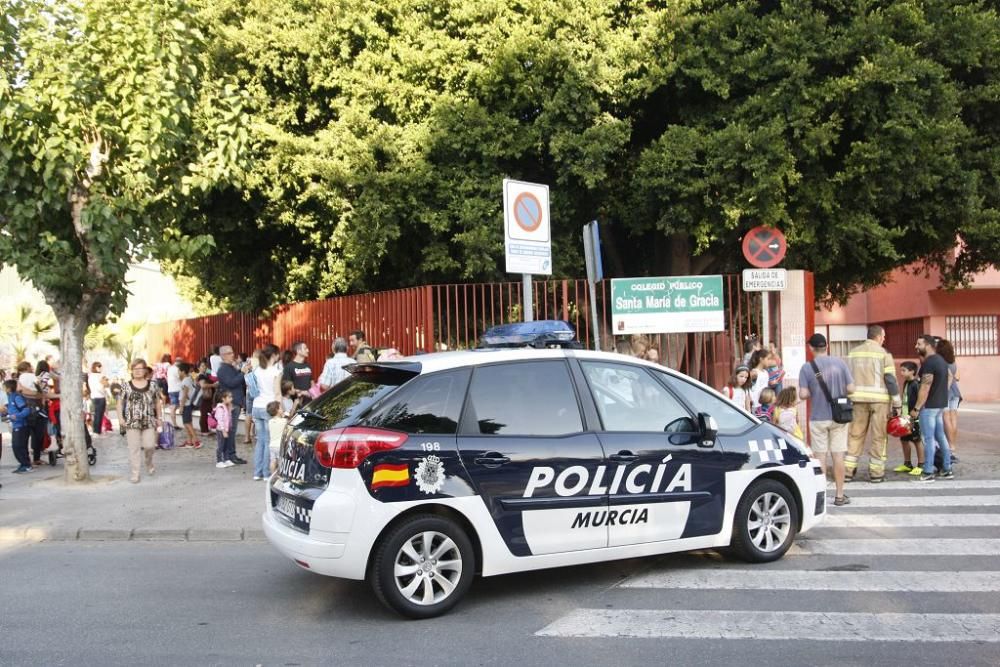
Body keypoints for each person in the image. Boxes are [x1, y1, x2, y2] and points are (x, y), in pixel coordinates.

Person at [799, 333, 856, 507]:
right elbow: (851, 388)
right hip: (839, 417)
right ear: (826, 347)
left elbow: (803, 394)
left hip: (818, 418)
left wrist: (812, 391)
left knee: (820, 457)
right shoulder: (840, 363)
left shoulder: (807, 368)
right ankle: (840, 496)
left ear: (811, 348)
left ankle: (821, 497)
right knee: (838, 455)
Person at [845, 325, 901, 483]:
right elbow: (890, 380)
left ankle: (848, 471)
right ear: (878, 337)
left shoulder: (853, 353)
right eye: (883, 336)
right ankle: (876, 473)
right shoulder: (884, 354)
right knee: (879, 437)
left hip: (857, 400)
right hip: (879, 401)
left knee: (855, 435)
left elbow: (847, 377)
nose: (884, 339)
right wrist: (896, 402)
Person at [912, 334, 954, 482]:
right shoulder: (941, 360)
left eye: (919, 344)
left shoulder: (929, 363)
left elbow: (924, 387)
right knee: (940, 437)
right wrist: (943, 392)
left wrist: (916, 408)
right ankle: (947, 469)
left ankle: (928, 471)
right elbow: (950, 376)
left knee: (928, 438)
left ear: (928, 345)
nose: (916, 347)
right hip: (940, 405)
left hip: (929, 407)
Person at [117, 359, 163, 484]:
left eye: (140, 369)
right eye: (135, 369)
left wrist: (159, 418)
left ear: (145, 370)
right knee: (134, 448)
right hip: (132, 421)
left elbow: (157, 402)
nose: (137, 371)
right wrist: (121, 419)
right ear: (131, 371)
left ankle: (148, 462)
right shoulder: (126, 386)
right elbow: (120, 403)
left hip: (149, 420)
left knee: (149, 445)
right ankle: (135, 473)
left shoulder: (153, 385)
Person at [251, 344, 282, 481]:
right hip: (269, 407)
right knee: (269, 441)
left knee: (260, 441)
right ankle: (266, 473)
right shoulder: (275, 371)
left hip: (256, 406)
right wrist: (280, 408)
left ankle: (257, 472)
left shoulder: (257, 370)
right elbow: (277, 392)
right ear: (274, 355)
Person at [215, 346, 248, 466]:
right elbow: (231, 383)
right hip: (231, 403)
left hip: (235, 401)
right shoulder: (223, 369)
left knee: (232, 430)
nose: (232, 355)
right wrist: (242, 373)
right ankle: (229, 455)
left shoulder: (230, 367)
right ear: (223, 355)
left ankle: (230, 455)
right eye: (229, 353)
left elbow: (236, 379)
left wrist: (241, 372)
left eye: (233, 352)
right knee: (230, 430)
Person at [893, 361, 925, 475]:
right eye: (901, 370)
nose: (901, 372)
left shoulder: (916, 384)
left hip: (913, 418)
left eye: (904, 370)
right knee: (904, 440)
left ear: (912, 371)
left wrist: (916, 412)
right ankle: (907, 464)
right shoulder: (906, 382)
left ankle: (921, 464)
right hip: (905, 418)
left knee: (917, 440)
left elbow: (920, 400)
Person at [937, 338, 962, 459]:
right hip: (956, 391)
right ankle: (953, 447)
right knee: (953, 419)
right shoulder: (953, 361)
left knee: (946, 419)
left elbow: (950, 377)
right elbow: (958, 377)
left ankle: (949, 447)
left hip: (945, 391)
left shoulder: (940, 361)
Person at [5, 378, 34, 473]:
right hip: (16, 425)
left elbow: (26, 410)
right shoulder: (9, 397)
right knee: (18, 446)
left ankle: (26, 465)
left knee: (18, 446)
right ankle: (24, 464)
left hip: (21, 425)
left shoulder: (16, 397)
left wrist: (16, 416)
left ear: (9, 388)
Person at [178, 363, 203, 449]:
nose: (178, 372)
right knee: (187, 423)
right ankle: (189, 441)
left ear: (182, 371)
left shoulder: (185, 381)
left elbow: (184, 394)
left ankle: (196, 440)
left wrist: (181, 407)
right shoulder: (189, 379)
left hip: (186, 405)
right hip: (188, 404)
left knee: (187, 424)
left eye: (179, 371)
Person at [213, 390, 234, 469]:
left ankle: (226, 459)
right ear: (223, 398)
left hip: (227, 429)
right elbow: (220, 420)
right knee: (221, 445)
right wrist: (223, 430)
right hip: (221, 430)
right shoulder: (220, 407)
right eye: (229, 397)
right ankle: (219, 461)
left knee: (226, 445)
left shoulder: (226, 406)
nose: (231, 399)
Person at [87, 361, 109, 437]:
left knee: (98, 414)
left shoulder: (91, 376)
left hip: (94, 396)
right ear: (96, 367)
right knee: (98, 414)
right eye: (99, 366)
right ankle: (96, 431)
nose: (101, 368)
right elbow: (101, 387)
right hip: (100, 396)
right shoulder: (98, 376)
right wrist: (104, 392)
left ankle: (97, 430)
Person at [266, 400, 287, 474]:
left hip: (272, 445)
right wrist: (284, 416)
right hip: (280, 445)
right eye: (281, 408)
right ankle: (280, 476)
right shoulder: (283, 421)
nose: (282, 410)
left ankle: (272, 475)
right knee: (281, 461)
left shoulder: (270, 421)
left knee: (273, 461)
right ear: (277, 410)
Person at [197, 358, 216, 435]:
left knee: (207, 412)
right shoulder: (201, 376)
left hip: (208, 397)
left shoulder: (206, 375)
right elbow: (203, 385)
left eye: (205, 366)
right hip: (203, 397)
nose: (204, 367)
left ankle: (206, 429)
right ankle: (203, 430)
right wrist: (213, 385)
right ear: (198, 368)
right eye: (202, 366)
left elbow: (214, 374)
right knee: (204, 413)